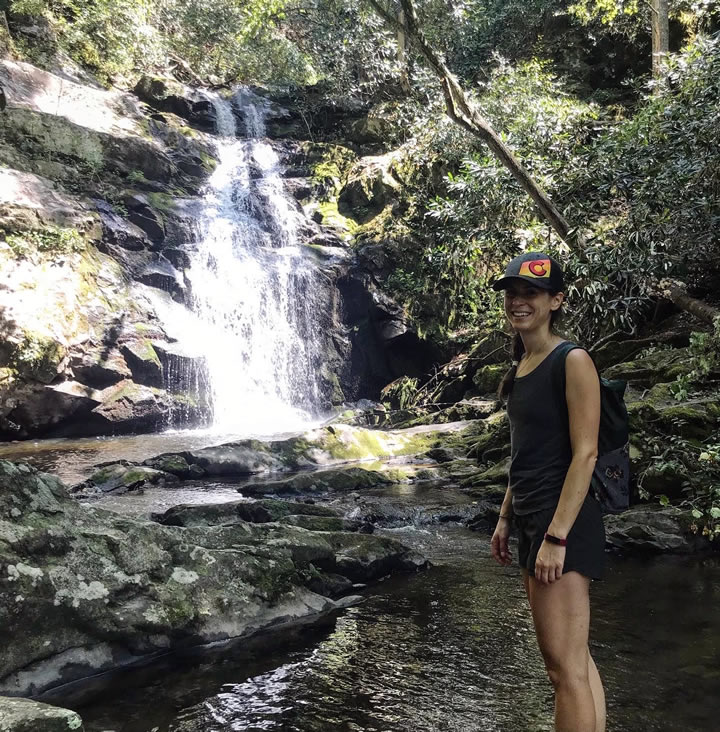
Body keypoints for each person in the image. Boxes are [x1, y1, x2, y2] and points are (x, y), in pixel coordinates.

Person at [489, 251, 606, 732]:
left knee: (562, 669)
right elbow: (525, 454)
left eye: (531, 293)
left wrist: (556, 537)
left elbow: (586, 454)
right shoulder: (522, 365)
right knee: (574, 659)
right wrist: (504, 517)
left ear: (555, 300)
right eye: (512, 293)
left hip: (564, 523)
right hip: (534, 518)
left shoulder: (571, 359)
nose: (519, 302)